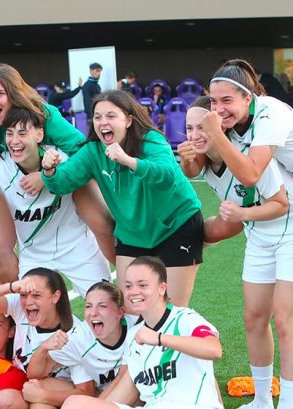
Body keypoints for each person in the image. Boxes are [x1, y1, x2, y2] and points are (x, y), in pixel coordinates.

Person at [0, 256, 225, 409]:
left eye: (142, 285)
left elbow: (213, 349)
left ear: (162, 288)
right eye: (128, 286)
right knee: (78, 404)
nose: (134, 291)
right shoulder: (136, 336)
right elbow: (124, 386)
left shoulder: (185, 319)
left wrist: (160, 339)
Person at [195, 59, 293, 372]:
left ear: (248, 98)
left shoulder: (270, 112)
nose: (219, 108)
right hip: (289, 182)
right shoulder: (232, 123)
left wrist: (216, 133)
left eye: (227, 101)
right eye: (214, 101)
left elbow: (250, 174)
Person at [182, 97, 293, 409]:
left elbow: (281, 204)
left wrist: (242, 215)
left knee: (285, 322)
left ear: (220, 127)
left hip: (292, 232)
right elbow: (190, 170)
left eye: (202, 126)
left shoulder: (245, 156)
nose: (195, 134)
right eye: (189, 128)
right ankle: (262, 400)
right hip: (259, 236)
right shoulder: (204, 162)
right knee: (254, 318)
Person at [0, 63, 115, 284]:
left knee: (102, 222)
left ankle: (126, 281)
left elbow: (82, 150)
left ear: (14, 94)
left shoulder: (42, 114)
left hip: (60, 176)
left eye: (0, 93)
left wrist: (47, 176)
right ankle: (32, 305)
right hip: (12, 186)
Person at [42, 90, 204, 306]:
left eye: (111, 116)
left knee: (172, 311)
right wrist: (49, 171)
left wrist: (129, 160)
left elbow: (168, 176)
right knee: (130, 307)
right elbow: (64, 181)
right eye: (97, 117)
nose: (102, 122)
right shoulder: (93, 151)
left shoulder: (151, 140)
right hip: (133, 234)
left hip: (176, 225)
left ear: (128, 120)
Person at [0, 272, 128, 409]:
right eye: (24, 295)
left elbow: (86, 393)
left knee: (36, 387)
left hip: (59, 397)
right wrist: (11, 287)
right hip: (25, 386)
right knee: (34, 386)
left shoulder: (73, 335)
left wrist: (43, 395)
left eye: (36, 295)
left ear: (55, 297)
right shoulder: (20, 307)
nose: (28, 301)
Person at [0, 108, 110, 295]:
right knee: (34, 315)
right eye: (9, 134)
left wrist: (47, 175)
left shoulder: (60, 157)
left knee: (106, 303)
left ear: (39, 134)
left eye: (22, 133)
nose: (15, 141)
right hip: (35, 257)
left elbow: (91, 172)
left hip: (78, 248)